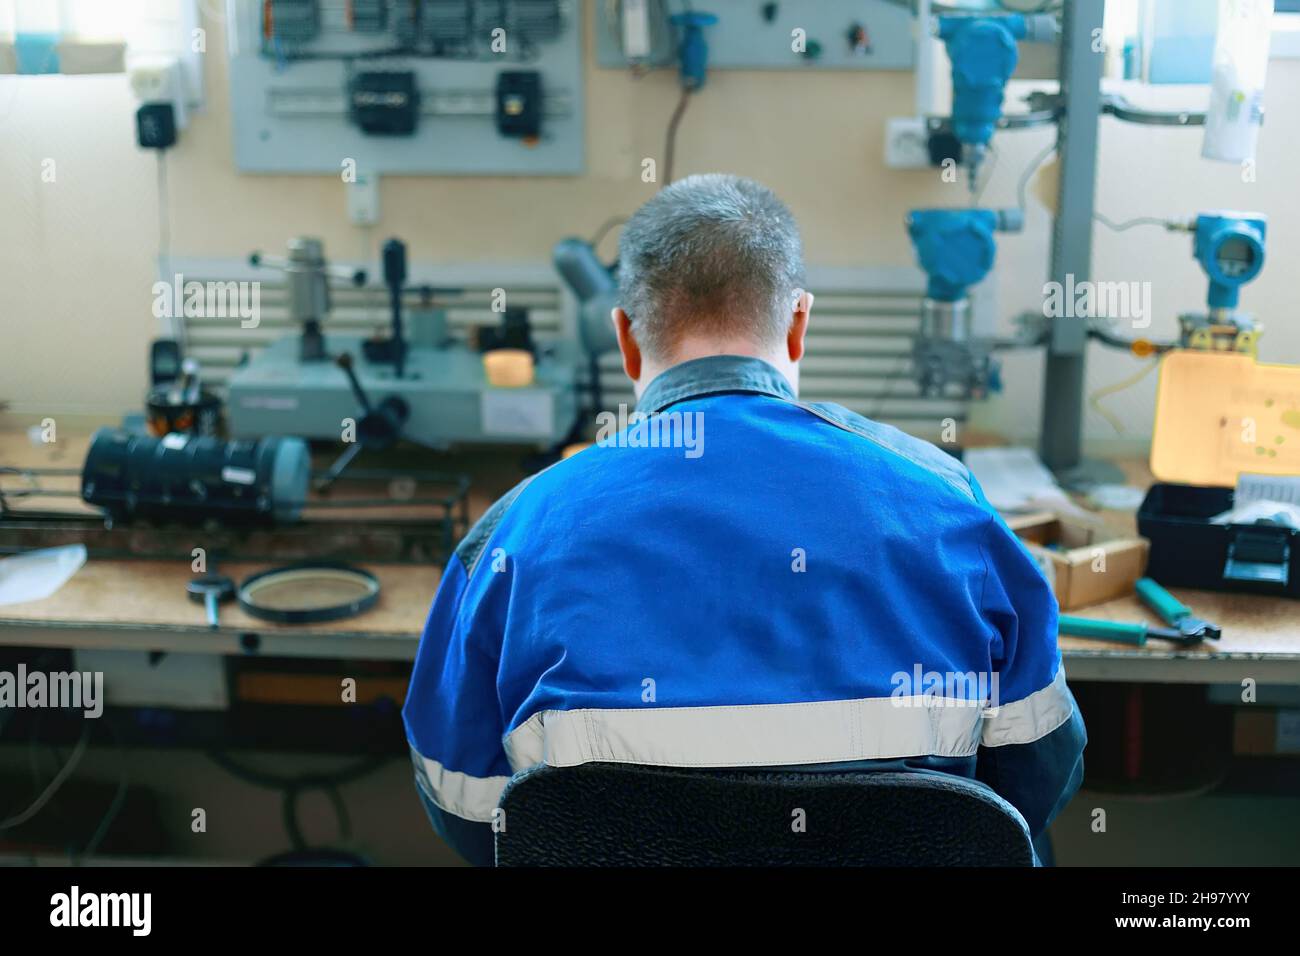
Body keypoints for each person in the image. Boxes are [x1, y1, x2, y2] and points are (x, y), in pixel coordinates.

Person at [402, 173, 1086, 866]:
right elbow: (1035, 779)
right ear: (799, 324)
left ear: (625, 341)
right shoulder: (945, 501)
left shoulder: (511, 537)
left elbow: (470, 813)